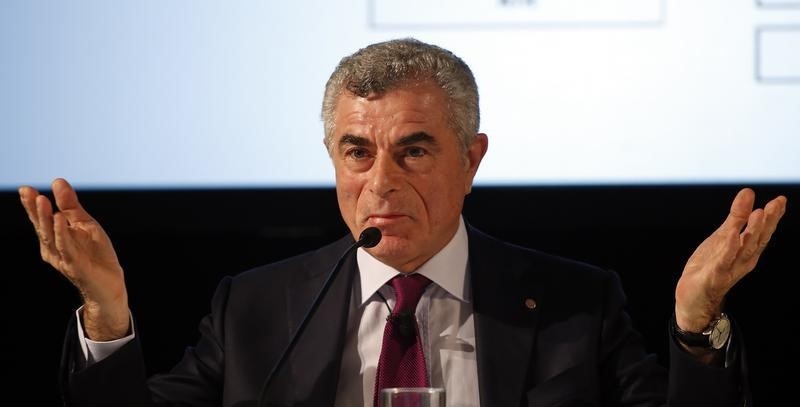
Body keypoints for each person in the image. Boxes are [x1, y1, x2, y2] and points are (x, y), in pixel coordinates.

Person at [19, 38, 787, 407]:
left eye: (413, 150)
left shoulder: (572, 303)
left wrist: (696, 323)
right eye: (357, 151)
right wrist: (108, 316)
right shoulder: (259, 307)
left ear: (471, 159)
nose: (379, 182)